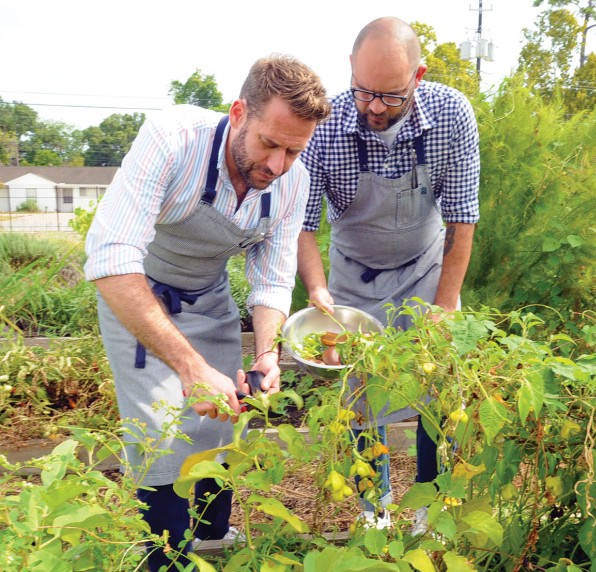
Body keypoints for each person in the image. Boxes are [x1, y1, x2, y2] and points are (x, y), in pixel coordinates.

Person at [84, 54, 331, 570]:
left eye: (294, 149)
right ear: (239, 112)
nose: (278, 165)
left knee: (223, 418)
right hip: (140, 296)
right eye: (269, 143)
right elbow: (111, 260)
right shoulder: (172, 140)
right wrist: (191, 367)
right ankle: (165, 553)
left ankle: (214, 539)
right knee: (161, 430)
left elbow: (272, 276)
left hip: (210, 294)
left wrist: (267, 354)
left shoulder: (293, 179)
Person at [297, 17, 480, 533]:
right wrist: (318, 292)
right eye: (364, 92)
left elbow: (463, 218)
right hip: (352, 278)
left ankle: (430, 507)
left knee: (438, 390)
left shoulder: (452, 114)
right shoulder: (327, 126)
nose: (374, 106)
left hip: (427, 269)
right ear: (351, 71)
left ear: (418, 76)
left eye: (391, 96)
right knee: (360, 398)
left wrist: (443, 309)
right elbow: (302, 226)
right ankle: (373, 511)